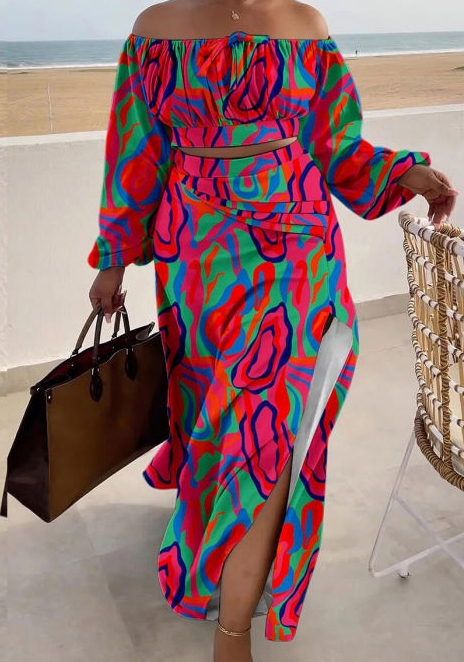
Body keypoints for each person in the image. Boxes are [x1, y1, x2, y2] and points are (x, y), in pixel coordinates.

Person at [87, 2, 458, 661]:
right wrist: (113, 260)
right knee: (212, 415)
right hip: (198, 256)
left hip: (299, 248)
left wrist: (402, 171)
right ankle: (214, 540)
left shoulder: (306, 25)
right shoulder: (154, 29)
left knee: (271, 421)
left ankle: (234, 629)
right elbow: (134, 153)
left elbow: (334, 142)